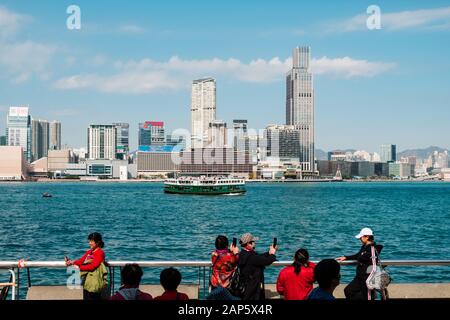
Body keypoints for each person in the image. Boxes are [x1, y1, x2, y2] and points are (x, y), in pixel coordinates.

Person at [336, 227, 383, 300]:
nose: (359, 239)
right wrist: (346, 257)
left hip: (367, 278)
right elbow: (358, 255)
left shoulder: (372, 249)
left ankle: (373, 295)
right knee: (348, 291)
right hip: (359, 277)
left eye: (361, 237)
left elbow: (373, 265)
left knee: (367, 297)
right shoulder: (365, 247)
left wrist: (369, 280)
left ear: (367, 237)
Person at [65, 232, 108, 300]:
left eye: (91, 241)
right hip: (88, 281)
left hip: (95, 282)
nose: (89, 243)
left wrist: (79, 268)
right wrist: (71, 262)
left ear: (97, 242)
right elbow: (81, 261)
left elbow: (93, 266)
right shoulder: (90, 252)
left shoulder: (100, 252)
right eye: (89, 241)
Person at [237, 233, 277, 300]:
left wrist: (268, 253)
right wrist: (272, 254)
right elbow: (267, 261)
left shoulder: (243, 254)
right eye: (253, 242)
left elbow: (258, 257)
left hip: (246, 286)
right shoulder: (251, 257)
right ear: (249, 244)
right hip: (253, 288)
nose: (255, 243)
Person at [207, 235, 240, 300]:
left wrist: (229, 251)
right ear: (226, 245)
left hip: (215, 284)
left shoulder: (213, 254)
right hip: (228, 286)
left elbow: (222, 255)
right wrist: (235, 252)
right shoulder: (231, 256)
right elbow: (238, 261)